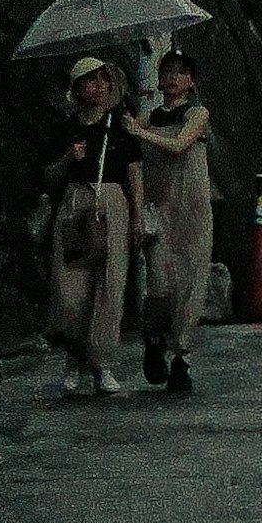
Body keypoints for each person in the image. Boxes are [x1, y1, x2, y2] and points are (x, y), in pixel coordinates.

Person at [33, 54, 144, 401]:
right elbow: (47, 175)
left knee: (109, 284)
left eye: (104, 79)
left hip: (111, 202)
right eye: (91, 80)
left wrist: (138, 214)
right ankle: (74, 357)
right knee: (70, 286)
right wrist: (70, 157)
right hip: (76, 202)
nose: (100, 86)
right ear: (77, 88)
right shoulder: (66, 128)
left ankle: (101, 363)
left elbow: (133, 172)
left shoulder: (119, 126)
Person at [126, 47, 217, 400]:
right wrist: (133, 126)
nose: (172, 78)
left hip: (192, 212)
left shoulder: (198, 113)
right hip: (159, 210)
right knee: (159, 282)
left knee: (192, 282)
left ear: (190, 80)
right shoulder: (149, 116)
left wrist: (139, 131)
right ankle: (155, 339)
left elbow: (179, 145)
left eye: (180, 72)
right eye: (167, 71)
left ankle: (182, 357)